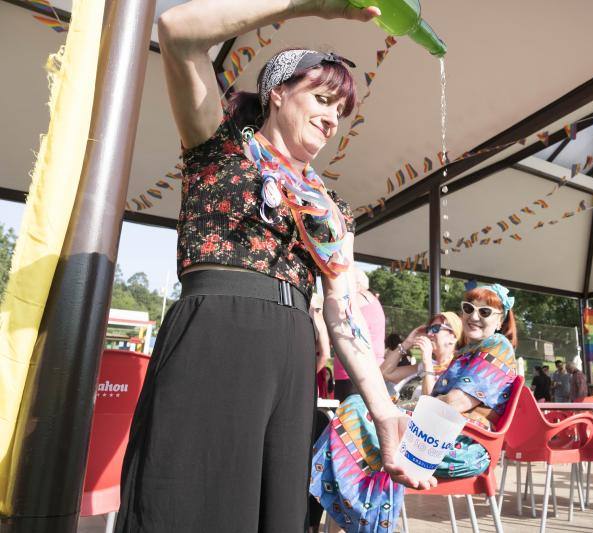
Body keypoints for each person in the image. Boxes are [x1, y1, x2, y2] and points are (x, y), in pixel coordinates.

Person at [115, 3, 432, 531]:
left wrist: (384, 413)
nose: (333, 117)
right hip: (216, 328)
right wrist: (312, 4)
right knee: (190, 496)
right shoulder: (217, 145)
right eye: (323, 98)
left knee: (276, 513)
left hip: (291, 350)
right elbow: (175, 32)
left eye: (341, 110)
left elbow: (343, 314)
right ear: (278, 91)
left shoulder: (331, 208)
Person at [310, 284, 519, 531]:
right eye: (468, 308)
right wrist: (407, 346)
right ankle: (347, 518)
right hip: (436, 435)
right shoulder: (467, 353)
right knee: (355, 419)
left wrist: (398, 410)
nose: (474, 316)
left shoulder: (497, 346)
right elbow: (385, 375)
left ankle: (341, 516)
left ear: (500, 319)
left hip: (462, 446)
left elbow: (455, 403)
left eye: (484, 312)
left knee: (356, 414)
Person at [381, 312, 462, 403]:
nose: (430, 333)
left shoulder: (458, 369)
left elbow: (429, 402)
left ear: (453, 337)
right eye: (429, 329)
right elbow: (385, 373)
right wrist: (407, 343)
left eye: (435, 328)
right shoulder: (423, 366)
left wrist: (427, 360)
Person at [333, 268, 386, 401]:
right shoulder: (371, 301)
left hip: (354, 371)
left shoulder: (357, 299)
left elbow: (338, 326)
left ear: (354, 283)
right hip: (366, 370)